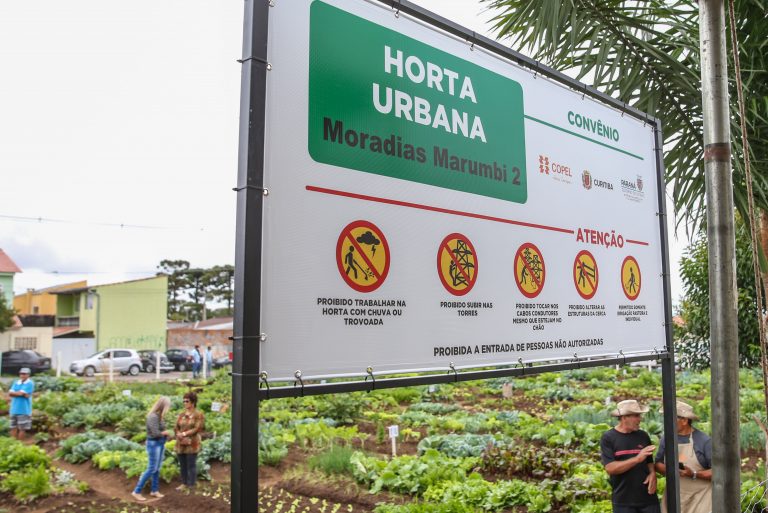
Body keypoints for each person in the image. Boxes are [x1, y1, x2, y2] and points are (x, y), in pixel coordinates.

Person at [600, 399, 660, 513]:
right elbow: (611, 468)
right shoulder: (608, 438)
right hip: (623, 502)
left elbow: (649, 461)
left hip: (648, 499)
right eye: (636, 416)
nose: (640, 419)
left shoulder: (643, 435)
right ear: (624, 417)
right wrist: (637, 459)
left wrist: (652, 474)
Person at [654, 401, 712, 513]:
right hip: (674, 496)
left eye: (671, 418)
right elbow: (658, 463)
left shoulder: (704, 441)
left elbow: (718, 472)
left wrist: (694, 474)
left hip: (700, 498)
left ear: (684, 421)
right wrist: (670, 470)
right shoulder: (666, 438)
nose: (666, 422)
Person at [132, 396, 172, 501]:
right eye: (168, 406)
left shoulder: (160, 416)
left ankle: (154, 490)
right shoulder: (153, 416)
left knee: (157, 468)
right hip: (154, 444)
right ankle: (137, 491)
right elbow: (155, 433)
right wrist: (165, 433)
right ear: (163, 406)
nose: (169, 409)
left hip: (160, 443)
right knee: (151, 468)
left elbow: (161, 429)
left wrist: (167, 434)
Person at [174, 391, 205, 489]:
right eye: (183, 401)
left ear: (193, 402)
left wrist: (184, 434)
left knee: (191, 464)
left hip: (192, 443)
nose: (184, 403)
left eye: (186, 401)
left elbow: (197, 428)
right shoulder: (181, 414)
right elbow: (176, 426)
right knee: (182, 464)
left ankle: (191, 485)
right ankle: (184, 483)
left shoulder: (198, 414)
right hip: (181, 443)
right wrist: (178, 434)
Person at [7, 367, 35, 440]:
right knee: (13, 427)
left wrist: (16, 393)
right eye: (21, 374)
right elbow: (10, 393)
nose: (22, 375)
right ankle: (13, 443)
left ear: (28, 375)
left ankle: (19, 444)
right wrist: (21, 394)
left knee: (22, 429)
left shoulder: (30, 383)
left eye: (24, 374)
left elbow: (19, 393)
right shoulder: (16, 382)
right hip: (14, 409)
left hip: (24, 410)